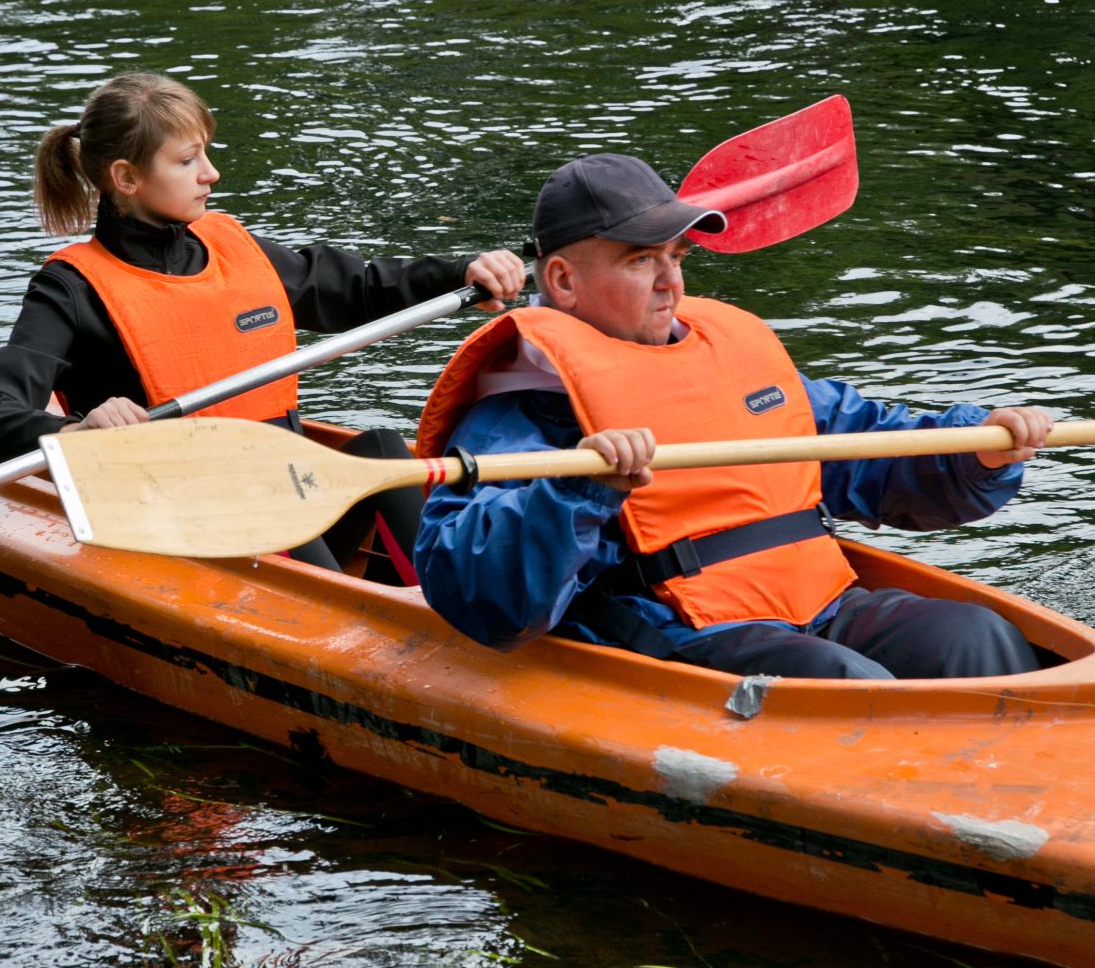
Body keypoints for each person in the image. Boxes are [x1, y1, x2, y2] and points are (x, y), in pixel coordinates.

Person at [412, 152, 1052, 680]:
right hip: (676, 629)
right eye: (640, 260)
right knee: (842, 681)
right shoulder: (521, 411)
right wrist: (580, 488)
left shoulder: (729, 360)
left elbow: (865, 445)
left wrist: (975, 451)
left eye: (676, 257)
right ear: (563, 281)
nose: (670, 282)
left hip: (819, 602)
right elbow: (482, 595)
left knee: (976, 636)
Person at [0, 70, 525, 575]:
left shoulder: (233, 247)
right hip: (183, 526)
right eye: (187, 161)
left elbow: (360, 288)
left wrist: (461, 271)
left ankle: (464, 598)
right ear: (127, 177)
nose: (211, 173)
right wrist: (75, 434)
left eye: (205, 154)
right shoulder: (72, 289)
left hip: (284, 495)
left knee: (380, 448)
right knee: (277, 505)